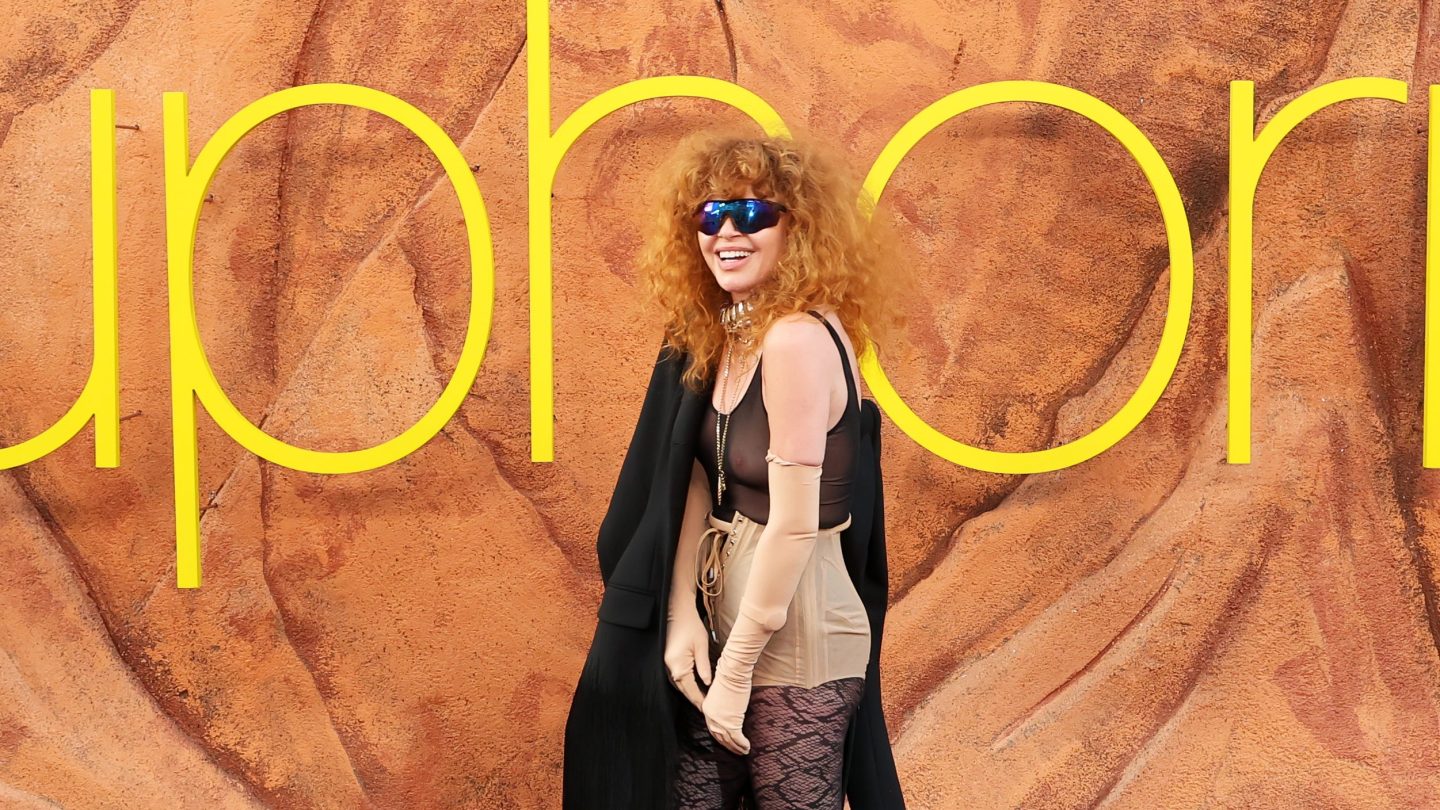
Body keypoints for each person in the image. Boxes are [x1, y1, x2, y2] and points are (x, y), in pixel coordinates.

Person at [561, 129, 911, 810]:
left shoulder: (796, 339)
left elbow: (793, 527)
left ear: (798, 229)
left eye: (752, 213)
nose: (727, 232)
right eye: (710, 215)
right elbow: (699, 474)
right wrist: (681, 615)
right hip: (725, 617)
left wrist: (737, 668)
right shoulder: (726, 333)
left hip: (799, 634)